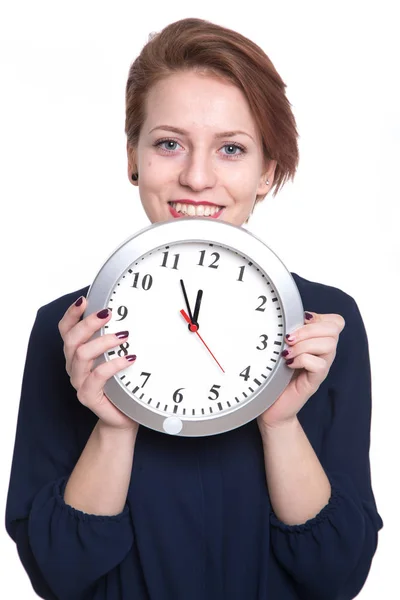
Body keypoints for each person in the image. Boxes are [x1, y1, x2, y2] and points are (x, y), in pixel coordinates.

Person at [5, 17, 383, 600]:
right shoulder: (73, 329)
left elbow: (336, 576)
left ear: (268, 172)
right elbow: (58, 575)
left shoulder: (324, 327)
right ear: (133, 157)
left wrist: (280, 423)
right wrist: (113, 429)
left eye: (231, 149)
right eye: (168, 143)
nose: (197, 177)